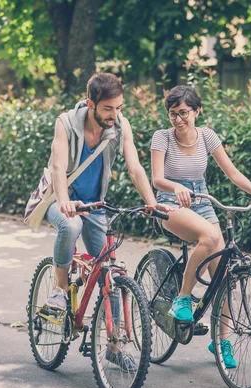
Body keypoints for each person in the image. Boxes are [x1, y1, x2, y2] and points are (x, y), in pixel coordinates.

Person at [43, 73, 170, 369]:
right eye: (108, 109)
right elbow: (59, 166)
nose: (115, 115)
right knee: (71, 225)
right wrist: (64, 200)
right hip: (58, 198)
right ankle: (60, 291)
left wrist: (152, 203)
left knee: (110, 271)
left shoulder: (120, 125)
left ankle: (113, 346)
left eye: (119, 108)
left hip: (94, 204)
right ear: (91, 104)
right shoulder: (66, 123)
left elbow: (135, 168)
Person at [150, 85, 251, 368]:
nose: (178, 119)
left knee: (225, 278)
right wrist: (176, 186)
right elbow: (157, 179)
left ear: (197, 111)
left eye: (183, 113)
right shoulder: (162, 138)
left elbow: (232, 172)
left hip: (202, 200)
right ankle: (182, 298)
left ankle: (221, 342)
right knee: (209, 235)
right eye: (173, 114)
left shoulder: (207, 136)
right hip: (170, 201)